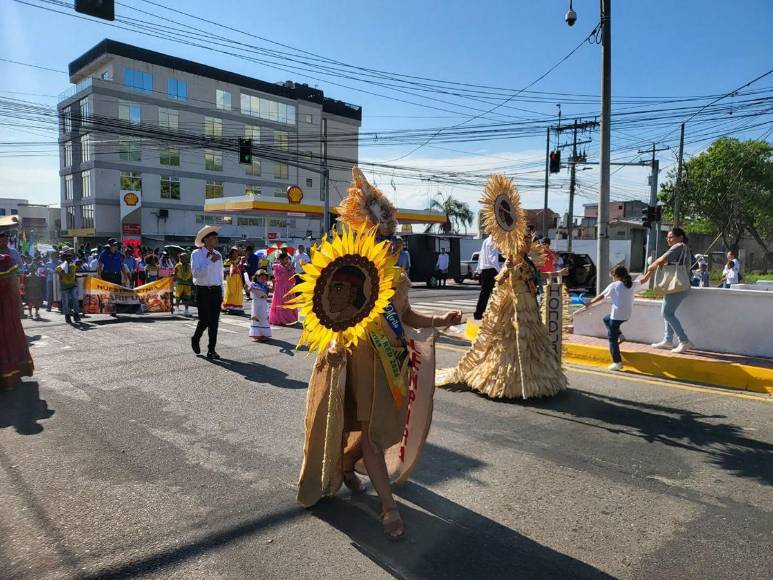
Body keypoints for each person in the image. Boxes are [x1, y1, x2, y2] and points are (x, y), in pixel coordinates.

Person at [297, 167, 462, 540]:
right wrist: (336, 346)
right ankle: (388, 507)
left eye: (394, 240)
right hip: (356, 364)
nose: (392, 245)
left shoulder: (397, 280)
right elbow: (334, 317)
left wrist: (441, 318)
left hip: (392, 364)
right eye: (385, 239)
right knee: (370, 431)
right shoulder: (351, 271)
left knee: (382, 431)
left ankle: (347, 461)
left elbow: (405, 315)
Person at [438, 174, 566, 400]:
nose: (529, 242)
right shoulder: (513, 260)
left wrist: (555, 273)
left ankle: (535, 378)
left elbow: (538, 275)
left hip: (528, 306)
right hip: (510, 305)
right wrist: (510, 271)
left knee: (530, 342)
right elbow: (500, 280)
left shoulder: (527, 260)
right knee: (506, 340)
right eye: (526, 239)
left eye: (529, 239)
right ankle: (506, 381)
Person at [640, 227, 692, 353]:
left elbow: (662, 259)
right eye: (667, 237)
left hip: (678, 285)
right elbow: (662, 261)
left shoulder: (679, 246)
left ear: (680, 237)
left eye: (671, 237)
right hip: (674, 285)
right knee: (668, 313)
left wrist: (651, 267)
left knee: (666, 313)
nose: (668, 239)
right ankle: (668, 340)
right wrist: (648, 275)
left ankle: (684, 341)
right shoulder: (679, 247)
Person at [587, 266, 643, 371]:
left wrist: (589, 303)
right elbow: (644, 280)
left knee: (612, 339)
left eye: (612, 276)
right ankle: (620, 335)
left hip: (616, 315)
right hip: (626, 315)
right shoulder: (631, 284)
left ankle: (617, 362)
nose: (612, 278)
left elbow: (601, 296)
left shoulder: (614, 285)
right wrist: (651, 271)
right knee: (606, 319)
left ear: (616, 276)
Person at [0, 253, 34, 389]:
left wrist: (18, 305)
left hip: (5, 308)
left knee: (6, 337)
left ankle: (8, 377)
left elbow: (14, 286)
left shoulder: (6, 261)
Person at [191, 226, 223, 360]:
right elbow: (196, 273)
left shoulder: (218, 254)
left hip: (216, 290)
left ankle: (211, 350)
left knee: (214, 322)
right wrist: (210, 261)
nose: (216, 239)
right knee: (204, 320)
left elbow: (220, 275)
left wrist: (222, 292)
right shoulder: (196, 254)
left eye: (216, 237)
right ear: (206, 239)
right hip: (203, 290)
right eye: (213, 237)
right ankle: (196, 337)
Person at [474, 234, 502, 320]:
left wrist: (478, 270)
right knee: (496, 293)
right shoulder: (493, 241)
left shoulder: (485, 241)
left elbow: (481, 256)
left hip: (485, 270)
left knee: (484, 294)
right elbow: (493, 259)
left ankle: (478, 314)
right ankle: (496, 314)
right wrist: (500, 271)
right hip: (492, 270)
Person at [269, 252, 298, 326]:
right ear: (280, 260)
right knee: (281, 303)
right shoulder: (277, 267)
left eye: (287, 259)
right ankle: (280, 318)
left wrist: (290, 270)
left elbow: (292, 278)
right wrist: (287, 270)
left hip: (288, 287)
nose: (286, 261)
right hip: (280, 288)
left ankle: (290, 318)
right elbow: (278, 278)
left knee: (289, 302)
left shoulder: (290, 267)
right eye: (285, 259)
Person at [244, 269, 271, 341]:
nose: (263, 280)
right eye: (261, 278)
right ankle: (257, 334)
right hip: (256, 303)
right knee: (256, 318)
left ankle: (263, 334)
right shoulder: (253, 284)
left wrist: (273, 284)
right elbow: (248, 290)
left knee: (264, 317)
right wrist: (248, 287)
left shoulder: (265, 285)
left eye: (265, 278)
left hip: (263, 304)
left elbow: (268, 293)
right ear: (257, 277)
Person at [56, 249, 81, 324]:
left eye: (70, 257)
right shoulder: (61, 266)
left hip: (72, 285)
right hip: (64, 287)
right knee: (66, 302)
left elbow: (75, 272)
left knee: (75, 301)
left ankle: (76, 315)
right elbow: (58, 271)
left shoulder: (73, 265)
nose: (69, 259)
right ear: (64, 259)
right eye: (67, 257)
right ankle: (67, 316)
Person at [222, 247, 245, 314]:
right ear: (231, 254)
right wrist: (233, 267)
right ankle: (229, 306)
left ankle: (236, 306)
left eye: (237, 253)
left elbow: (245, 256)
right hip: (231, 278)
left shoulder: (239, 260)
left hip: (237, 278)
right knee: (231, 292)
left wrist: (240, 249)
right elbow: (226, 270)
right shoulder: (227, 261)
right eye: (234, 253)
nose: (235, 255)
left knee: (238, 292)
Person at [173, 252, 193, 316]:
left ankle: (186, 310)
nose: (184, 259)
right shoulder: (177, 265)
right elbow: (175, 275)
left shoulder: (190, 266)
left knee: (187, 297)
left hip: (188, 284)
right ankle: (177, 309)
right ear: (180, 258)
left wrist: (191, 282)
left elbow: (191, 275)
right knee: (178, 297)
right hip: (179, 284)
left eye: (186, 257)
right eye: (182, 257)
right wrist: (174, 281)